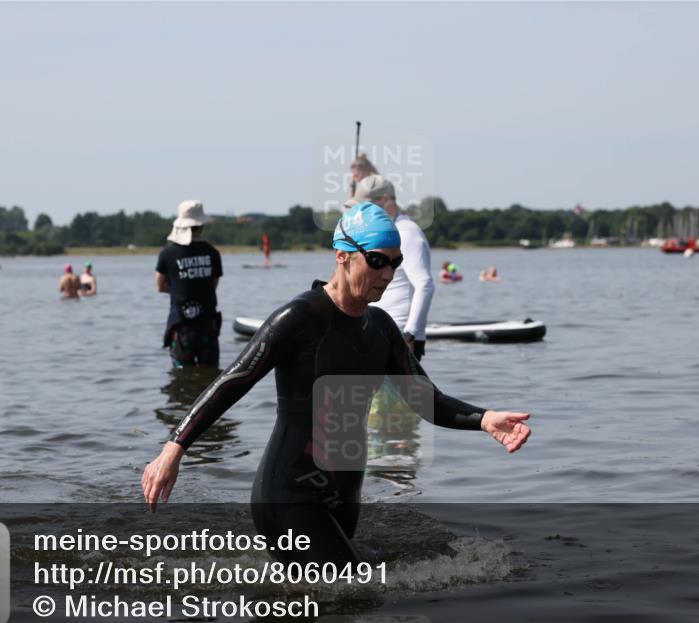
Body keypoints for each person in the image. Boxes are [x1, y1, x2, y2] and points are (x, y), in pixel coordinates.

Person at [141, 202, 532, 565]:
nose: (387, 274)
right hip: (288, 496)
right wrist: (175, 448)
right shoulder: (299, 318)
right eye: (377, 261)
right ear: (343, 255)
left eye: (395, 263)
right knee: (355, 588)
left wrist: (484, 419)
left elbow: (426, 399)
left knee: (347, 611)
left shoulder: (381, 328)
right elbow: (233, 381)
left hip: (344, 497)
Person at [346, 175, 434, 361]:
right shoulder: (391, 231)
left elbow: (425, 284)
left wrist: (410, 334)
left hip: (400, 334)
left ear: (385, 200)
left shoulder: (406, 232)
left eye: (366, 207)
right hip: (381, 332)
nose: (362, 213)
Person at [155, 200, 223, 367]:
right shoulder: (212, 253)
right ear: (201, 226)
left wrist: (179, 289)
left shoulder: (167, 254)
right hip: (207, 325)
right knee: (211, 374)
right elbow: (213, 285)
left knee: (181, 375)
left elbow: (160, 286)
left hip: (181, 326)